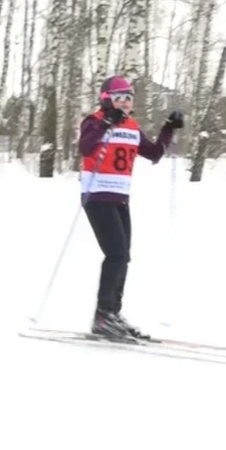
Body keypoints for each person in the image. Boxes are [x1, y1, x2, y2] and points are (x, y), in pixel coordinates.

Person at [77, 75, 184, 340]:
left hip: (120, 199)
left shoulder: (132, 127)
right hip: (97, 196)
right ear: (107, 100)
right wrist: (105, 122)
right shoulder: (94, 121)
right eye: (119, 97)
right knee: (116, 254)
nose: (125, 102)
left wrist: (169, 128)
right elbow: (86, 147)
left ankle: (112, 314)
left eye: (129, 97)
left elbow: (154, 153)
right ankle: (103, 316)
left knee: (123, 256)